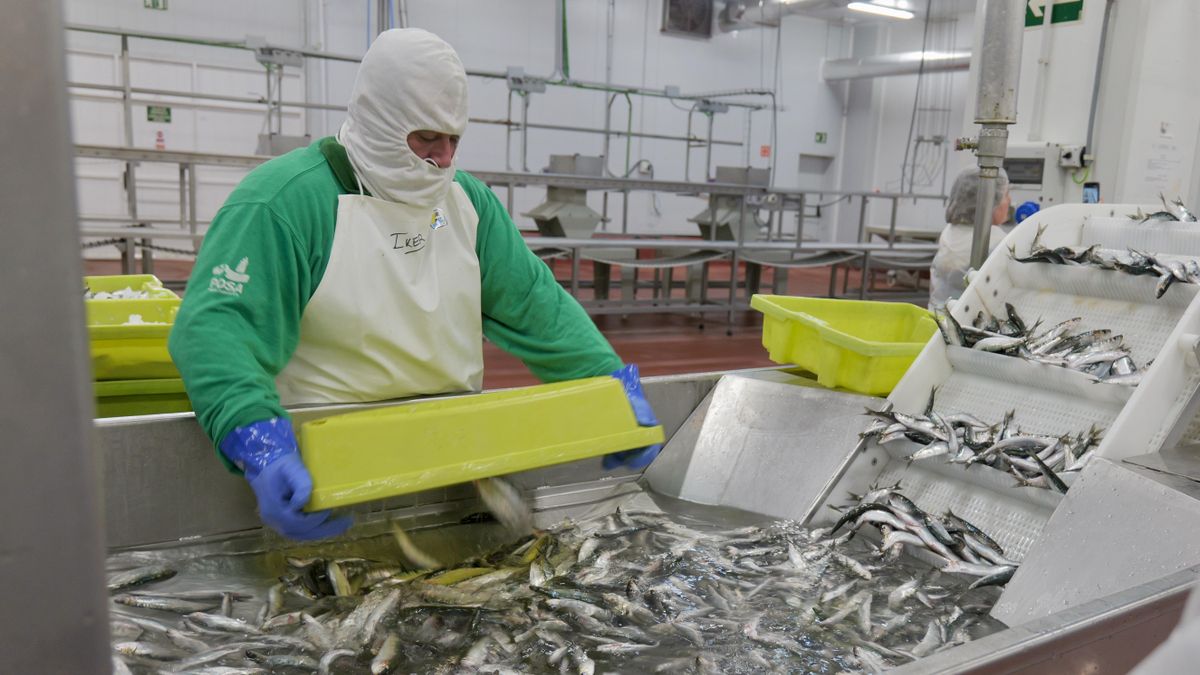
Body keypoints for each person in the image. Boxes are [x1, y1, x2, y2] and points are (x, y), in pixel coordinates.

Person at [168, 28, 662, 541]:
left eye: (454, 140)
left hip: (454, 469)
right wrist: (258, 441)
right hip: (323, 477)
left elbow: (535, 303)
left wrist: (605, 384)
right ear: (382, 120)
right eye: (427, 138)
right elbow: (214, 330)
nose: (445, 158)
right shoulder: (286, 202)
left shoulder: (467, 203)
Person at [928, 167, 1012, 308]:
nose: (1009, 201)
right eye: (1006, 194)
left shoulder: (949, 231)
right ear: (989, 200)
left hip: (936, 317)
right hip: (967, 323)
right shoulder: (995, 240)